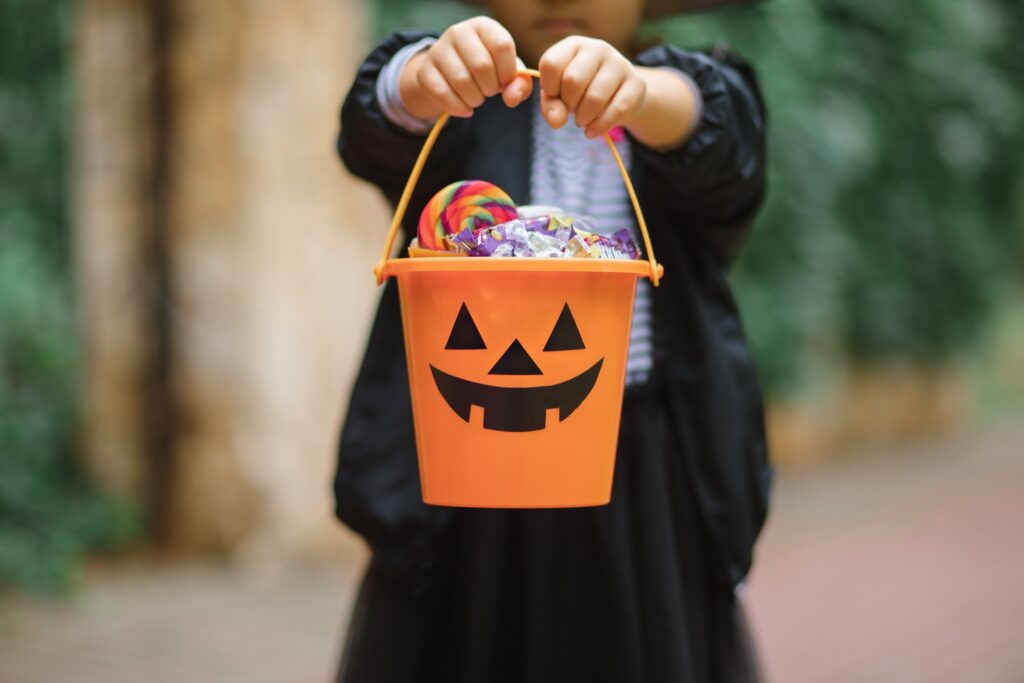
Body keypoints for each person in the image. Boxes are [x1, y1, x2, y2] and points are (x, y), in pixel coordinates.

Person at [334, 0, 771, 680]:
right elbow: (372, 127)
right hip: (465, 477)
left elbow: (725, 139)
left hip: (640, 474)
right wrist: (420, 80)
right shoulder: (462, 110)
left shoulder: (677, 98)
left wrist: (641, 93)